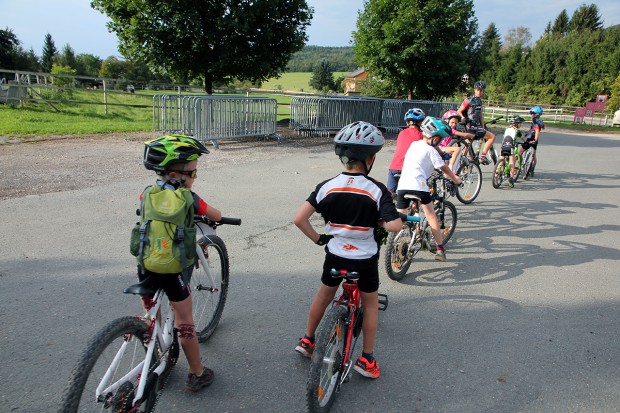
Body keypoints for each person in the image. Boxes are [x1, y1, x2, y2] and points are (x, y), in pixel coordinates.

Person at [294, 121, 402, 379]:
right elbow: (395, 225)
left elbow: (299, 219)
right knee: (371, 305)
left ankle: (308, 340)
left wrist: (320, 239)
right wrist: (381, 220)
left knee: (323, 297)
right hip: (364, 260)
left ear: (342, 158)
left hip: (335, 254)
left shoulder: (326, 186)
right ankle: (366, 360)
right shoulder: (378, 190)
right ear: (371, 158)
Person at [138, 134, 222, 392]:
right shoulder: (190, 198)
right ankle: (197, 373)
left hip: (146, 264)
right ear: (179, 174)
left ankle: (156, 348)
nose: (195, 178)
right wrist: (216, 218)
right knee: (184, 322)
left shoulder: (146, 194)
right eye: (194, 173)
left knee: (151, 313)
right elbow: (216, 215)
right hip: (173, 270)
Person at [396, 117, 463, 261]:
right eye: (439, 139)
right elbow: (443, 167)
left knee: (400, 219)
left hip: (402, 186)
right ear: (435, 138)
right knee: (431, 215)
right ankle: (440, 249)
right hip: (418, 187)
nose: (439, 142)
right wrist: (455, 178)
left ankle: (397, 240)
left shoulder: (414, 144)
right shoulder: (431, 150)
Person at [457, 80, 496, 165]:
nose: (479, 92)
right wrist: (463, 118)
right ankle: (483, 156)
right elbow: (459, 111)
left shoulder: (479, 101)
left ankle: (463, 162)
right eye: (478, 90)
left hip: (475, 126)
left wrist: (483, 126)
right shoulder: (469, 100)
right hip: (470, 126)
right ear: (474, 90)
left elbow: (480, 115)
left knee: (468, 145)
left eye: (481, 90)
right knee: (492, 137)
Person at [386, 108, 426, 194]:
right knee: (418, 193)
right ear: (420, 122)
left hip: (394, 168)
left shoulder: (401, 133)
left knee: (388, 195)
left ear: (407, 123)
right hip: (409, 169)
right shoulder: (421, 135)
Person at [500, 115, 525, 187]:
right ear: (517, 123)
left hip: (503, 147)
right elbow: (524, 139)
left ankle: (497, 173)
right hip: (510, 147)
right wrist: (527, 142)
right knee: (512, 162)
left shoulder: (507, 129)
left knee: (501, 160)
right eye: (520, 123)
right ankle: (511, 177)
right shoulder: (517, 131)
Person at [520, 106, 545, 177]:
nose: (530, 115)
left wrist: (535, 139)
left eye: (532, 113)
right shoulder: (539, 121)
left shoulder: (535, 121)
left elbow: (537, 130)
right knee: (533, 155)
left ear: (536, 114)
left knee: (520, 152)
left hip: (531, 138)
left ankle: (518, 168)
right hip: (533, 139)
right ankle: (532, 168)